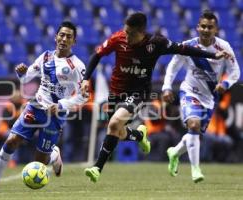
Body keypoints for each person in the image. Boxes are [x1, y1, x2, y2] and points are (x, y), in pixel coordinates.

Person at [81, 11, 229, 183]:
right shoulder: (118, 38)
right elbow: (97, 55)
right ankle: (138, 136)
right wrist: (86, 79)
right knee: (118, 132)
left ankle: (97, 168)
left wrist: (212, 55)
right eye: (125, 31)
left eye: (131, 34)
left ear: (142, 32)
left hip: (139, 93)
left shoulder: (156, 43)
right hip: (116, 93)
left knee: (113, 124)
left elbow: (184, 49)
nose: (126, 37)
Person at [0, 21, 87, 189]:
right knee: (11, 140)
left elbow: (83, 96)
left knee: (39, 161)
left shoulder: (78, 66)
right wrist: (21, 73)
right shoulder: (45, 57)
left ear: (74, 41)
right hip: (36, 106)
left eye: (69, 36)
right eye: (61, 35)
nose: (64, 39)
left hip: (55, 114)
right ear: (55, 37)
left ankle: (53, 155)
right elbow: (25, 78)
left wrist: (61, 105)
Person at [162, 10, 240, 183]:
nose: (205, 30)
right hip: (189, 91)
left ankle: (174, 152)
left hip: (209, 98)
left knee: (194, 133)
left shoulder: (224, 47)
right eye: (203, 26)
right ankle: (195, 169)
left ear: (216, 29)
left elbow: (235, 71)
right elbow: (173, 67)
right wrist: (167, 87)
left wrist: (225, 84)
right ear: (197, 27)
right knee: (194, 124)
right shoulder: (187, 46)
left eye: (209, 27)